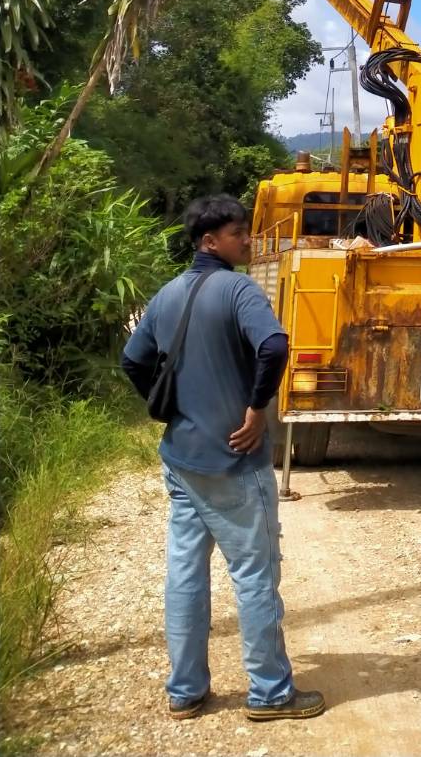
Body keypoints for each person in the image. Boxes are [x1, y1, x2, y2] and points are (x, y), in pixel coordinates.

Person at [122, 195, 324, 723]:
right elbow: (275, 346)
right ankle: (271, 693)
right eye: (239, 234)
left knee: (185, 572)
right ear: (211, 241)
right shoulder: (238, 289)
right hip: (235, 460)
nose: (249, 241)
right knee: (255, 574)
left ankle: (185, 690)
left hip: (182, 458)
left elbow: (133, 359)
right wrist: (256, 409)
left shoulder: (167, 294)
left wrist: (169, 409)